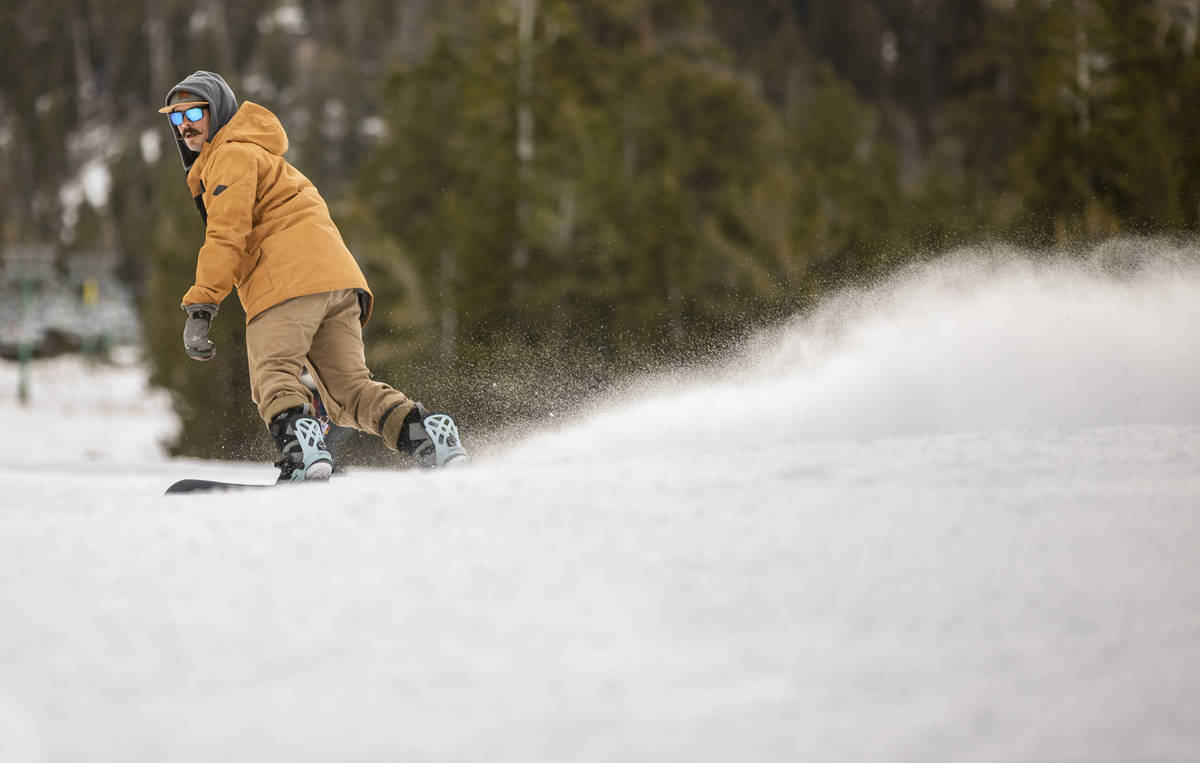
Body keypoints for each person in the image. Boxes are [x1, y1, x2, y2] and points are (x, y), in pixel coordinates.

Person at [159, 70, 467, 481]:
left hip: (287, 282)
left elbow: (226, 234)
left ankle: (303, 456)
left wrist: (202, 306)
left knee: (273, 375)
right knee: (350, 392)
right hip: (338, 284)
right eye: (176, 119)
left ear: (219, 113)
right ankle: (428, 436)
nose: (185, 127)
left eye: (194, 112)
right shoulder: (266, 157)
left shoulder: (230, 156)